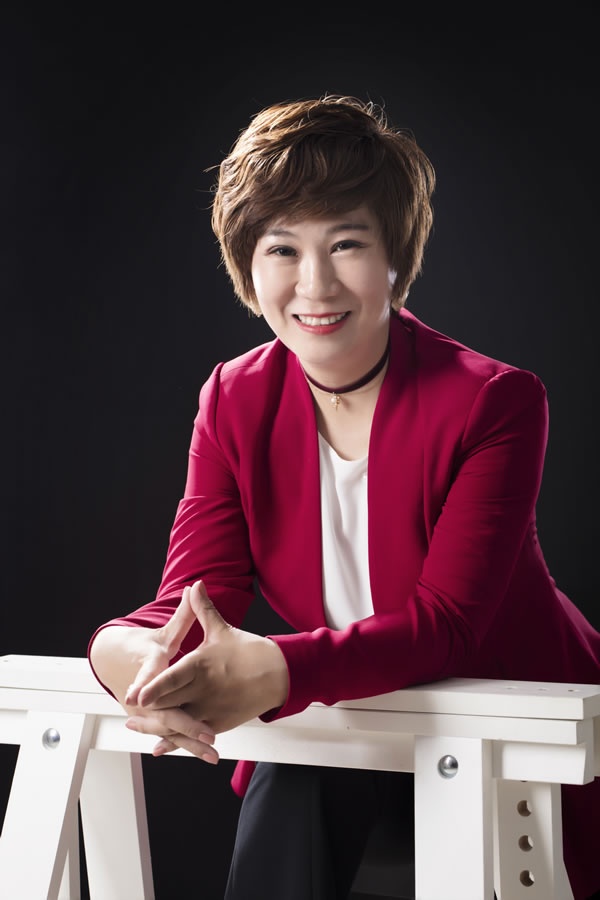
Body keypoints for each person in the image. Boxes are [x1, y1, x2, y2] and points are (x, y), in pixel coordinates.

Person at [88, 94, 600, 899]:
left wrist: (275, 669)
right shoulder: (233, 397)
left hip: (508, 733)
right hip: (353, 718)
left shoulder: (493, 400)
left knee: (303, 735)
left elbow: (448, 626)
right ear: (248, 267)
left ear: (396, 255)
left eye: (348, 243)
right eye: (282, 249)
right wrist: (130, 659)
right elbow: (191, 603)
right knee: (296, 766)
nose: (315, 283)